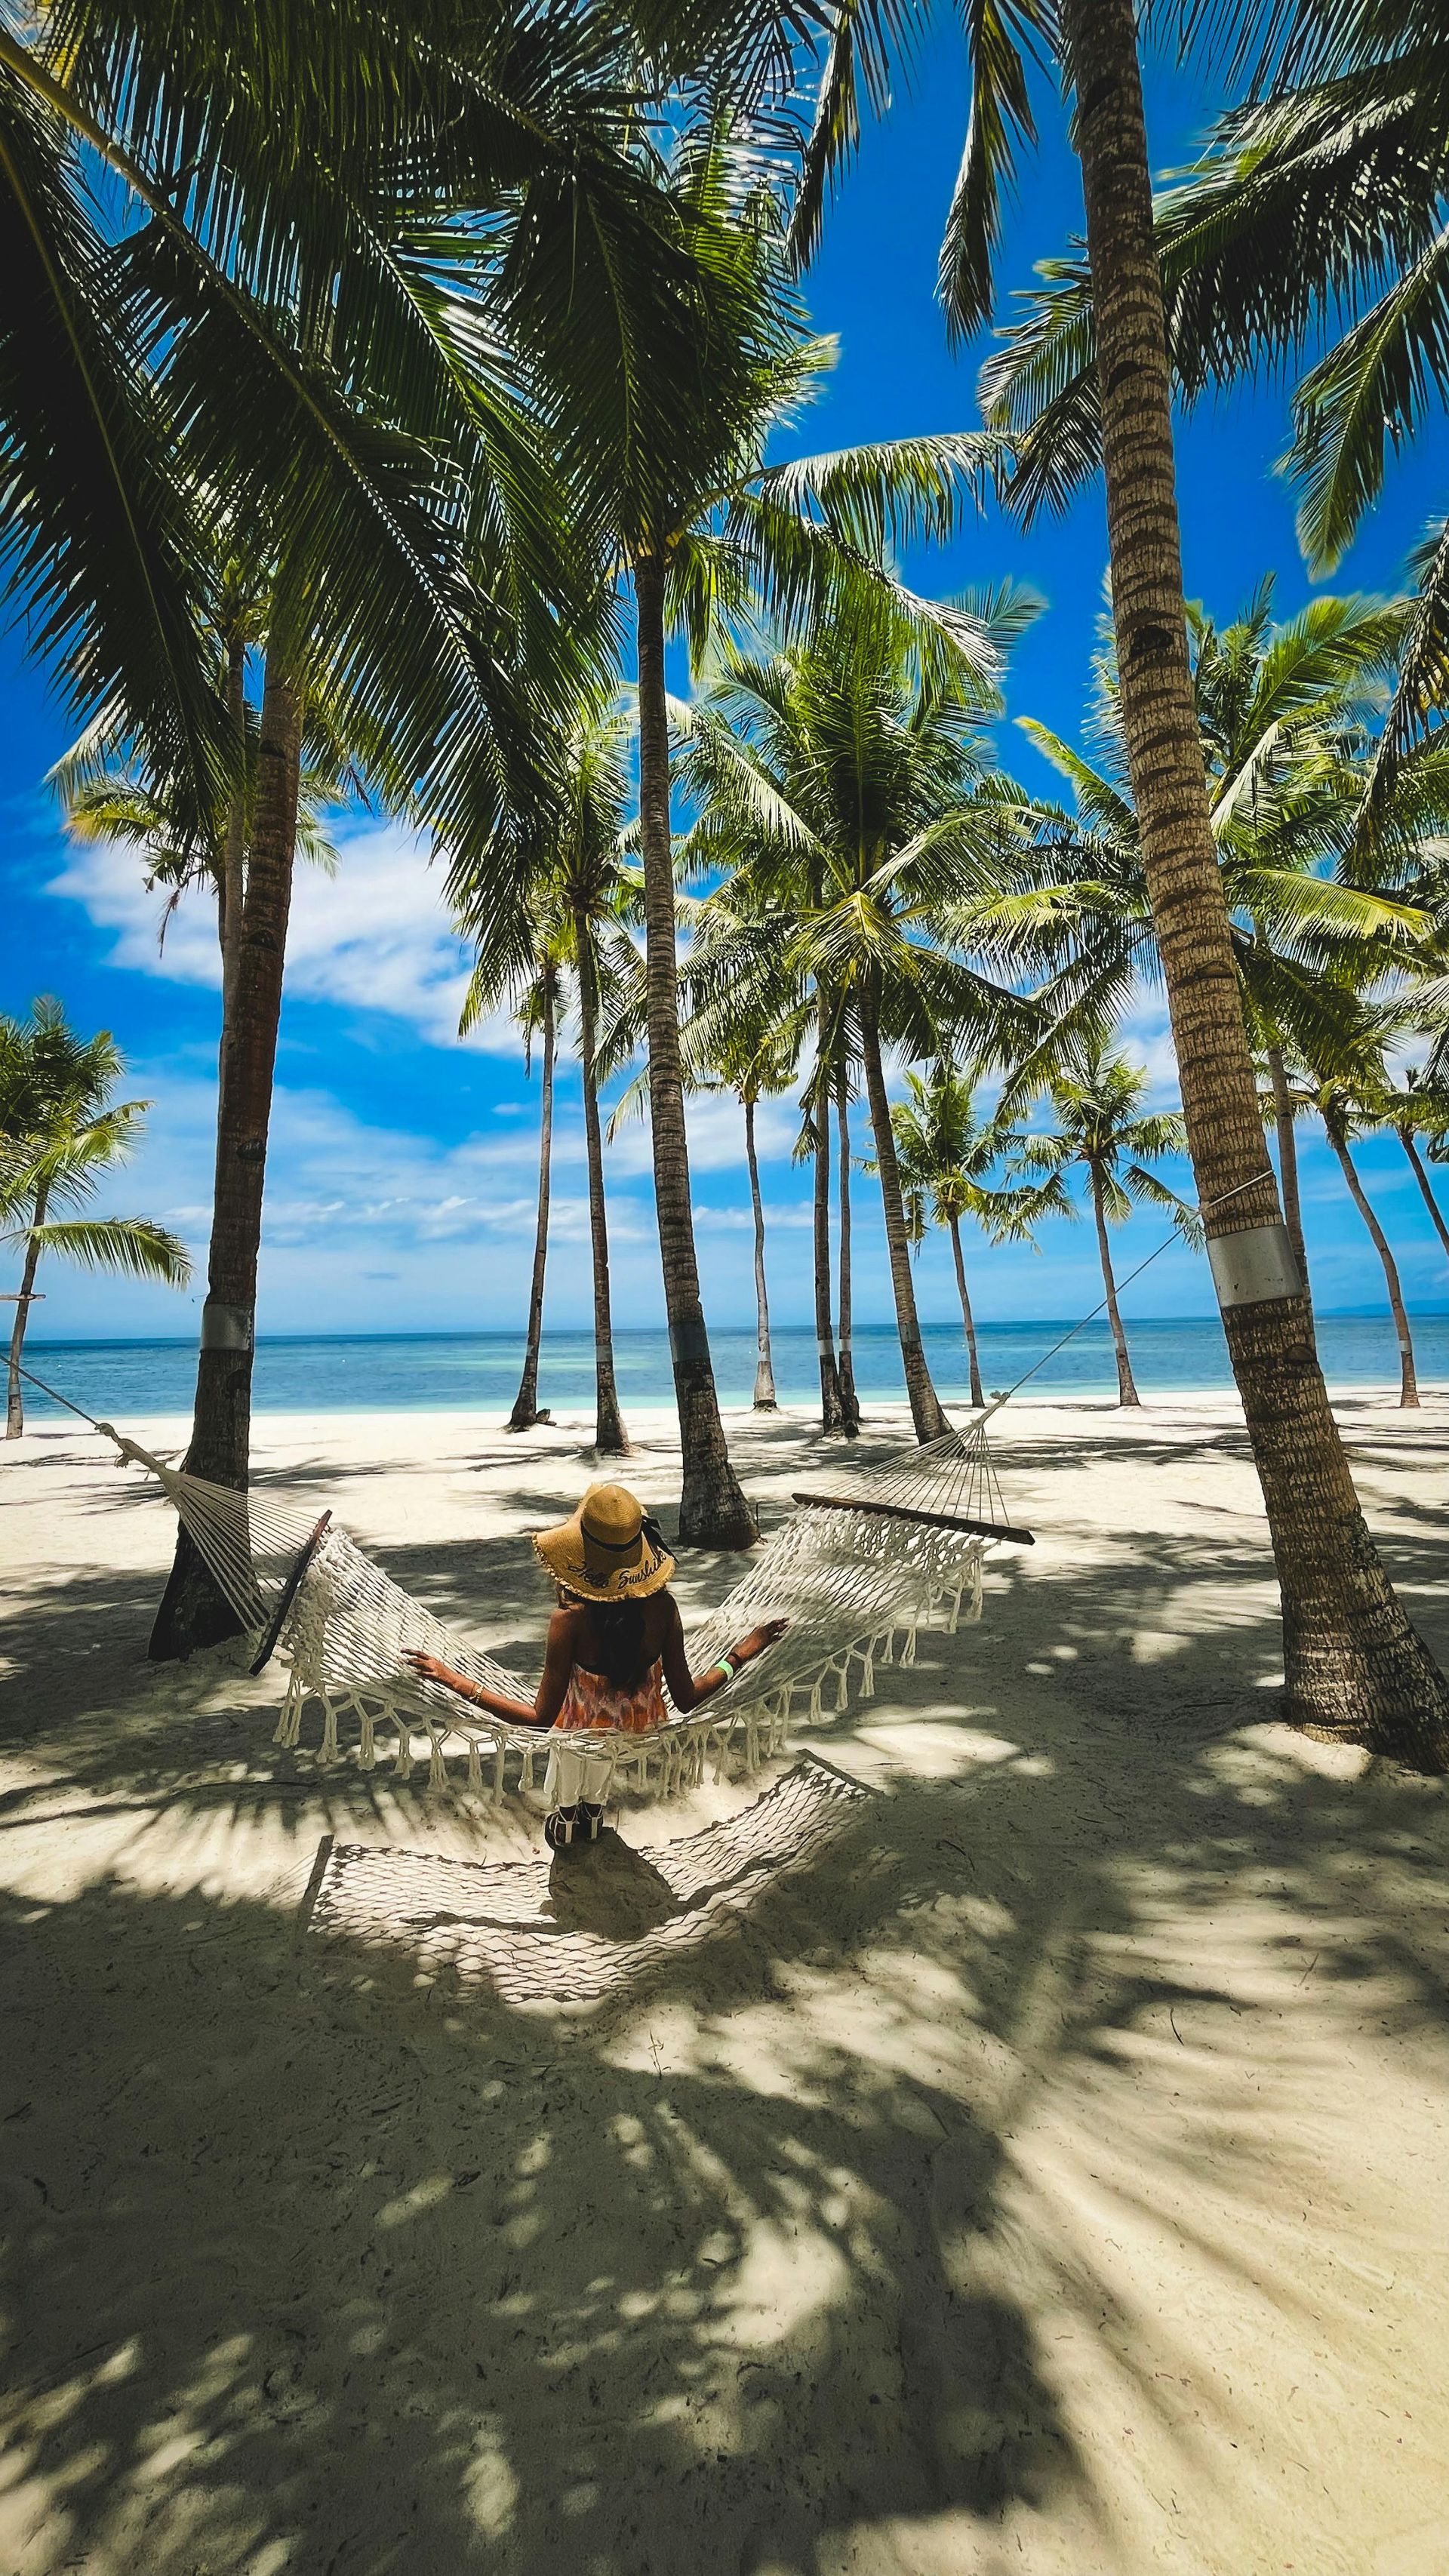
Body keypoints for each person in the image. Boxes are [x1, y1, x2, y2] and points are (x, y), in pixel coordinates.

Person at [404, 1480, 787, 1847]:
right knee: (602, 1733)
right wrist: (740, 1654)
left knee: (577, 1733)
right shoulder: (663, 1608)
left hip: (579, 1733)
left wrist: (455, 1681)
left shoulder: (569, 1621)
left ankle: (568, 1817)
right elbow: (686, 1699)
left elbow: (540, 1718)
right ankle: (591, 1813)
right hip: (636, 1729)